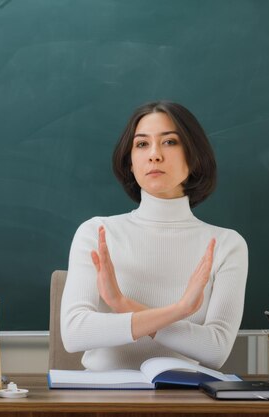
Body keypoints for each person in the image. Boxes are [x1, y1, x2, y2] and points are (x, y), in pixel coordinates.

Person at [60, 101, 248, 371]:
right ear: (131, 161)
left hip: (185, 401)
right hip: (101, 401)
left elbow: (216, 349)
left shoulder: (227, 244)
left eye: (170, 142)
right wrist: (179, 310)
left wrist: (123, 305)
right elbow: (75, 333)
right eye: (142, 144)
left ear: (194, 156)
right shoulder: (97, 232)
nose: (154, 155)